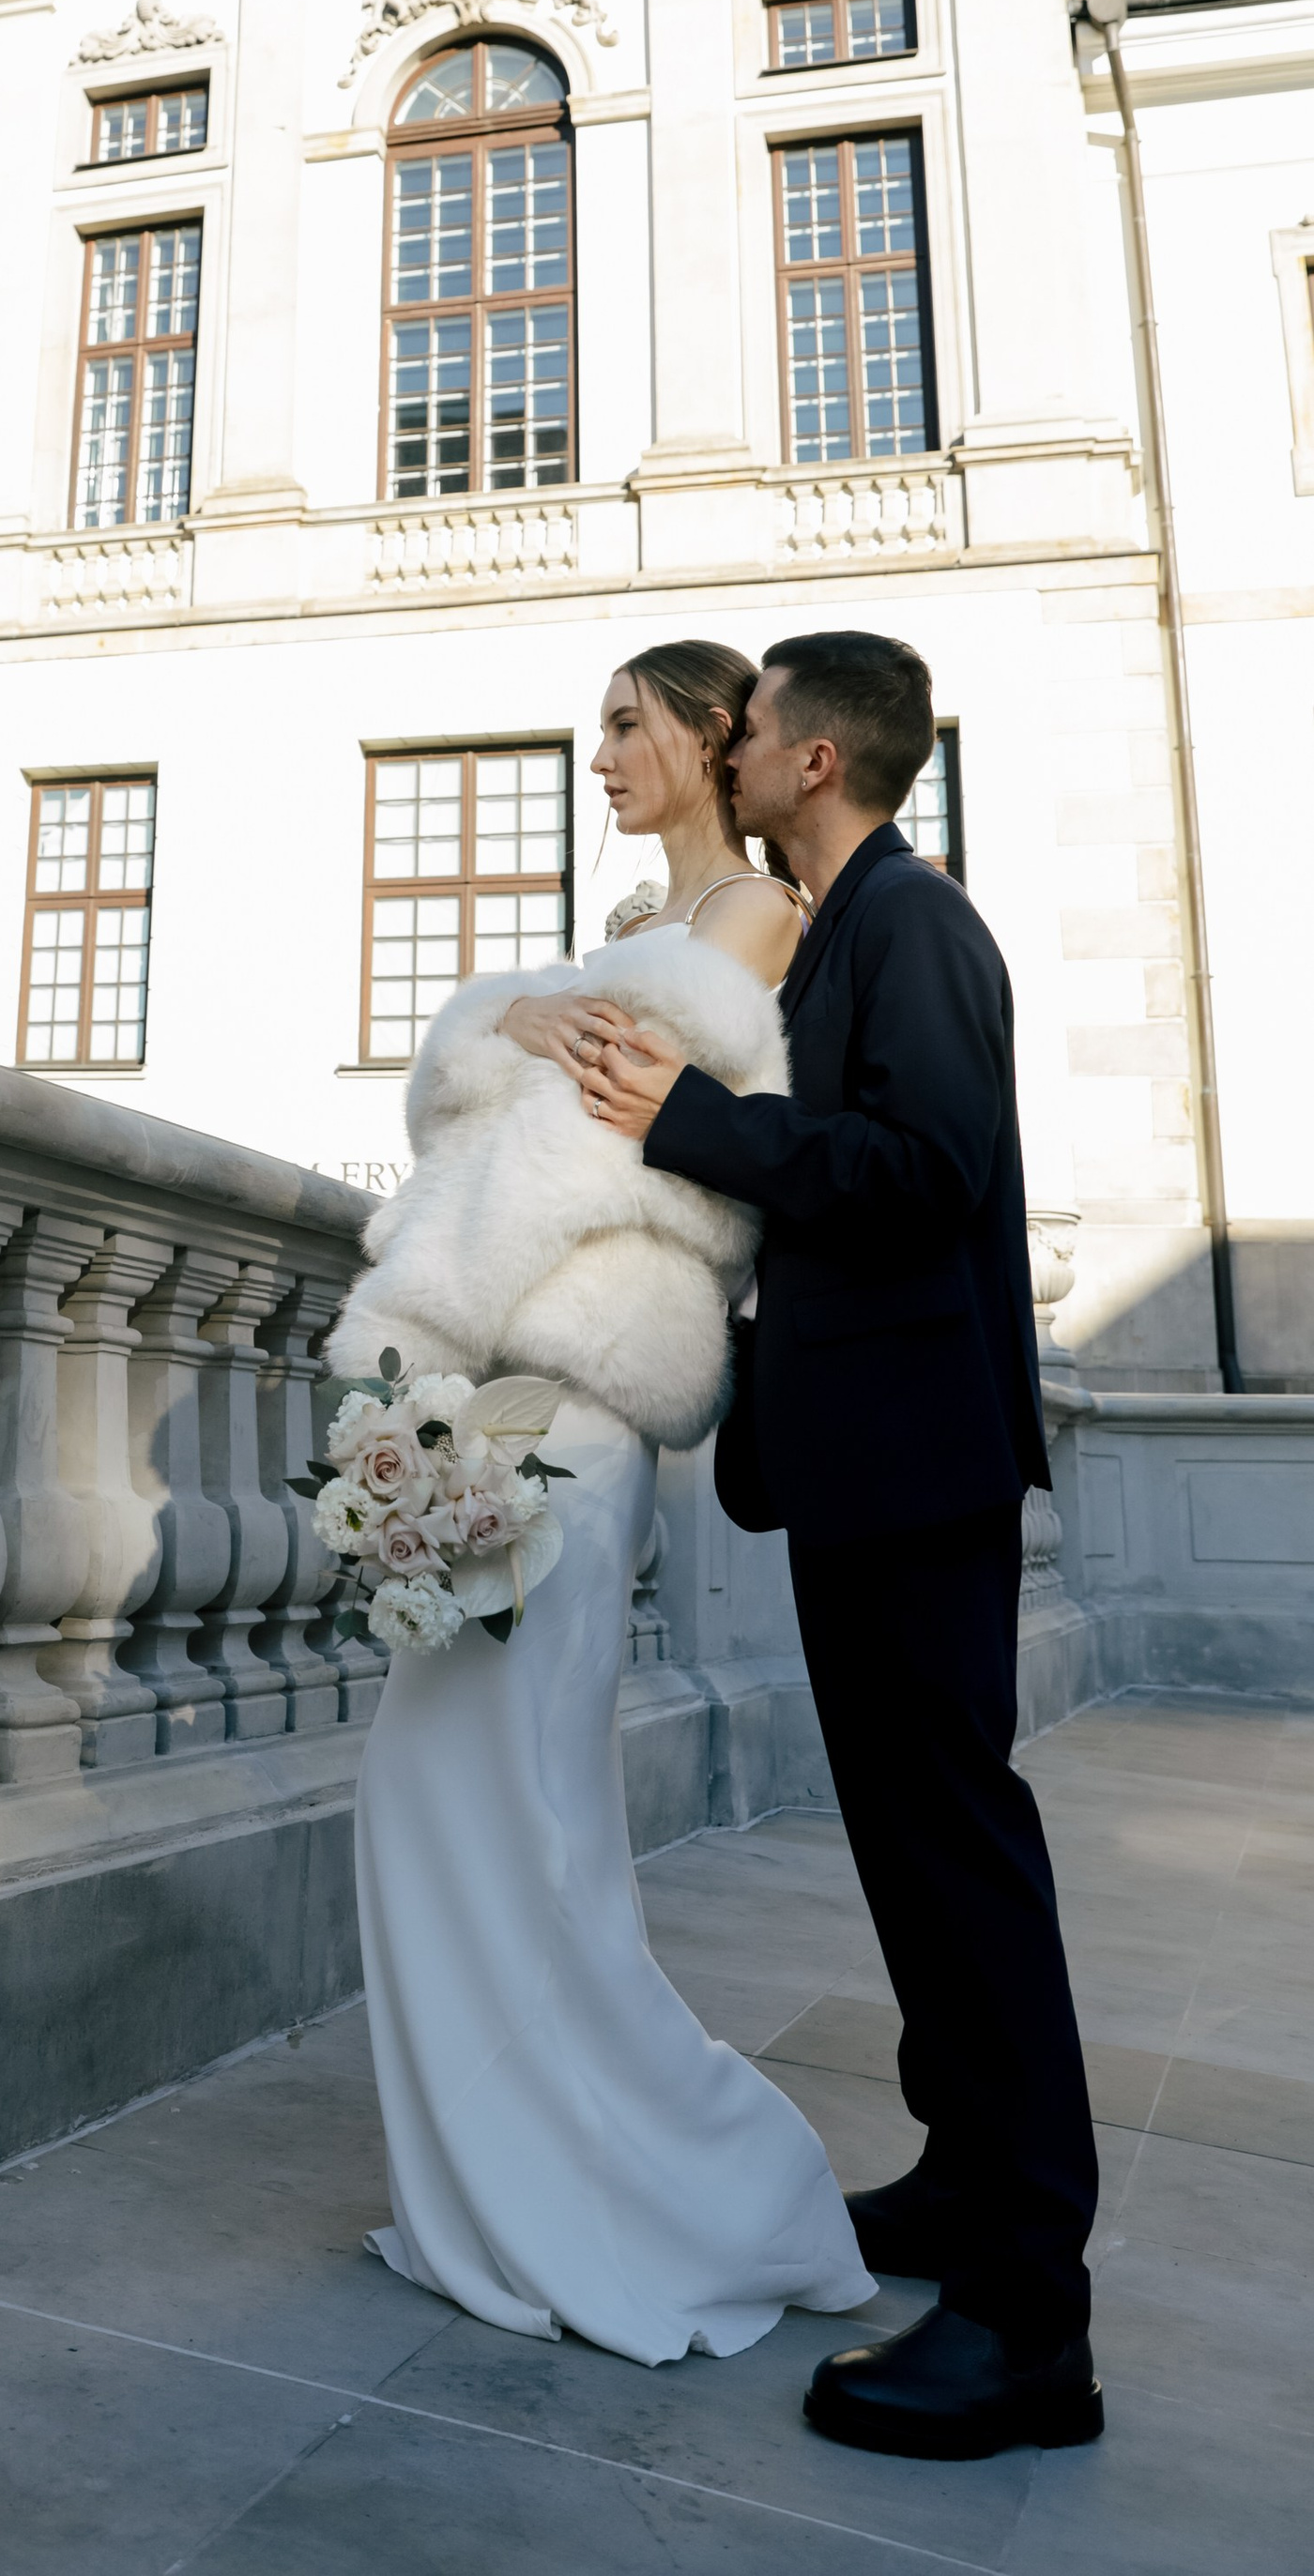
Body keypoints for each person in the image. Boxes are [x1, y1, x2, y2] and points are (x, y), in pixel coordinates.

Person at [584, 631, 1103, 2462]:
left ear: (812, 759)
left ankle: (1028, 2319)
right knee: (906, 1849)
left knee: (958, 1859)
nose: (719, 745)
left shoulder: (912, 924)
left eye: (743, 725)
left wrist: (692, 1124)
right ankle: (967, 2187)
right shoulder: (847, 926)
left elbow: (922, 1171)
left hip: (918, 1467)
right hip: (861, 1461)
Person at [350, 642, 873, 2366]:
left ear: (718, 738)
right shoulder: (631, 943)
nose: (598, 755)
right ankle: (496, 2197)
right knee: (451, 1809)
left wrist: (425, 1315)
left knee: (533, 1826)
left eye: (626, 726)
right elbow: (477, 1096)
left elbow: (561, 1148)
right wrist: (497, 1020)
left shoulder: (746, 922)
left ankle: (695, 2202)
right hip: (502, 1388)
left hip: (559, 1401)